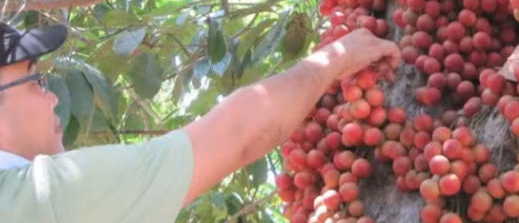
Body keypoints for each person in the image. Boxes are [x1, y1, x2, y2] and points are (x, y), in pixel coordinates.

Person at [0, 21, 400, 222]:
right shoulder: (42, 196)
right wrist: (338, 57)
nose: (53, 96)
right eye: (35, 81)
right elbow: (238, 134)